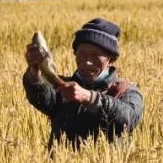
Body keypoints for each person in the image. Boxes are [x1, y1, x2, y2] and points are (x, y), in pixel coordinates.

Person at [23, 18, 143, 149]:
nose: (87, 62)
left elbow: (128, 119)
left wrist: (89, 98)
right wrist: (35, 72)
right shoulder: (63, 86)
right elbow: (40, 97)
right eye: (82, 54)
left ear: (111, 59)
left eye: (95, 56)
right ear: (75, 54)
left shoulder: (126, 91)